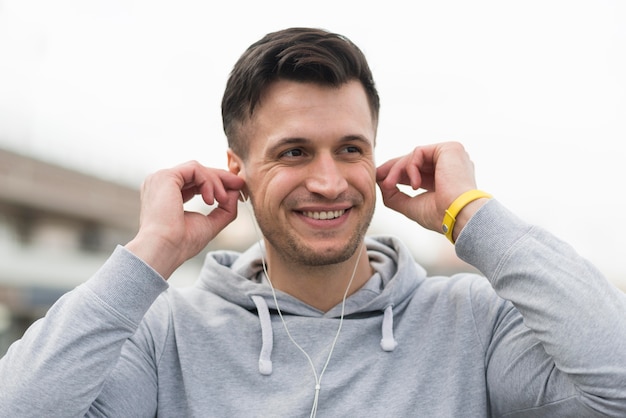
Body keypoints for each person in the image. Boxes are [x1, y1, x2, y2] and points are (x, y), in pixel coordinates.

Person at [1, 27, 625, 417]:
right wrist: (153, 251)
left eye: (350, 148)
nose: (329, 181)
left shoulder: (472, 323)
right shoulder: (165, 334)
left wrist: (474, 216)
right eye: (294, 151)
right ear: (236, 168)